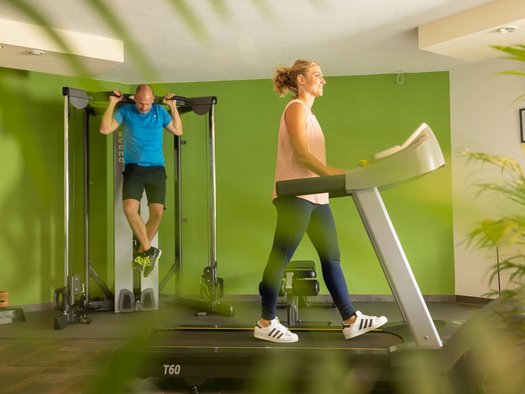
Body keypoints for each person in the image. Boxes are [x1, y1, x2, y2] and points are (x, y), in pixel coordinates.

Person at [254, 60, 388, 343]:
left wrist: (350, 175)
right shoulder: (296, 108)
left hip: (316, 196)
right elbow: (302, 156)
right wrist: (344, 177)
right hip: (296, 196)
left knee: (331, 257)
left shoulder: (310, 115)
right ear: (301, 81)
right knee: (281, 255)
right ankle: (266, 321)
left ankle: (351, 320)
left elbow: (317, 162)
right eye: (317, 75)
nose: (323, 80)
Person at [100, 84, 183, 277]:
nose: (144, 107)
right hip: (134, 170)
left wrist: (173, 106)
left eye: (147, 103)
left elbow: (178, 131)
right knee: (129, 209)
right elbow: (105, 129)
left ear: (152, 100)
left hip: (156, 171)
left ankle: (142, 255)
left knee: (157, 213)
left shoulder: (160, 113)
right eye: (140, 103)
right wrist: (112, 103)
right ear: (135, 99)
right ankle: (150, 250)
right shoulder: (126, 111)